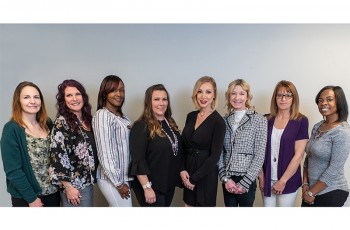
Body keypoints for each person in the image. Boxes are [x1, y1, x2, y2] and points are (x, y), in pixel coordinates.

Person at [0, 81, 60, 207]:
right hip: (27, 198)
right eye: (26, 97)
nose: (32, 101)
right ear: (18, 101)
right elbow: (13, 170)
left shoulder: (47, 123)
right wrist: (32, 199)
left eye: (36, 97)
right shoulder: (12, 129)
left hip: (53, 193)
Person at [129, 84, 182, 207]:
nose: (161, 103)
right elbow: (138, 160)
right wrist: (147, 188)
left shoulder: (170, 123)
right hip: (150, 185)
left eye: (164, 99)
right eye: (156, 99)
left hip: (167, 183)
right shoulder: (141, 126)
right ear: (149, 102)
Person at [218, 79, 267, 207]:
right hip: (228, 179)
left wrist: (246, 182)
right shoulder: (223, 121)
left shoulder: (259, 120)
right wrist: (225, 179)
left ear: (247, 96)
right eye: (233, 94)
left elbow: (260, 155)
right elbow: (219, 152)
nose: (237, 97)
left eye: (241, 93)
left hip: (247, 178)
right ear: (229, 97)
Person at [259, 80, 309, 207]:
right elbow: (258, 150)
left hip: (288, 180)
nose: (283, 99)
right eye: (279, 95)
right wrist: (261, 177)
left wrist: (283, 181)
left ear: (294, 99)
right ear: (275, 98)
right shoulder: (265, 119)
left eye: (288, 95)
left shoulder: (301, 121)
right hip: (267, 178)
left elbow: (298, 156)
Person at [49, 79, 97, 207]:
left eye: (77, 94)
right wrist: (68, 187)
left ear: (83, 97)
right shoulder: (62, 122)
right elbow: (57, 156)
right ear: (63, 100)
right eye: (69, 95)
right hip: (74, 186)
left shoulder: (88, 120)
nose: (74, 98)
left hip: (87, 182)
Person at [181, 76, 225, 207]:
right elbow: (184, 146)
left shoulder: (218, 122)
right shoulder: (190, 116)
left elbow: (215, 156)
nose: (203, 96)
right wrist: (182, 169)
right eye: (199, 91)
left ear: (214, 95)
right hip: (188, 171)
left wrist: (194, 179)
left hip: (205, 174)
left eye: (208, 92)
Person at [302, 85, 350, 207]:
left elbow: (334, 169)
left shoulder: (342, 131)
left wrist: (312, 192)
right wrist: (305, 184)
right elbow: (309, 157)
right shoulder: (317, 126)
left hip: (332, 191)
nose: (323, 103)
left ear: (339, 102)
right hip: (310, 190)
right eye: (320, 100)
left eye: (329, 99)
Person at [92, 75, 133, 207]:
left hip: (124, 176)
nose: (119, 94)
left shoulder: (123, 117)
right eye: (114, 90)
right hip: (111, 179)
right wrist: (119, 183)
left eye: (122, 90)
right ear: (105, 93)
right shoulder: (102, 115)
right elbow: (105, 153)